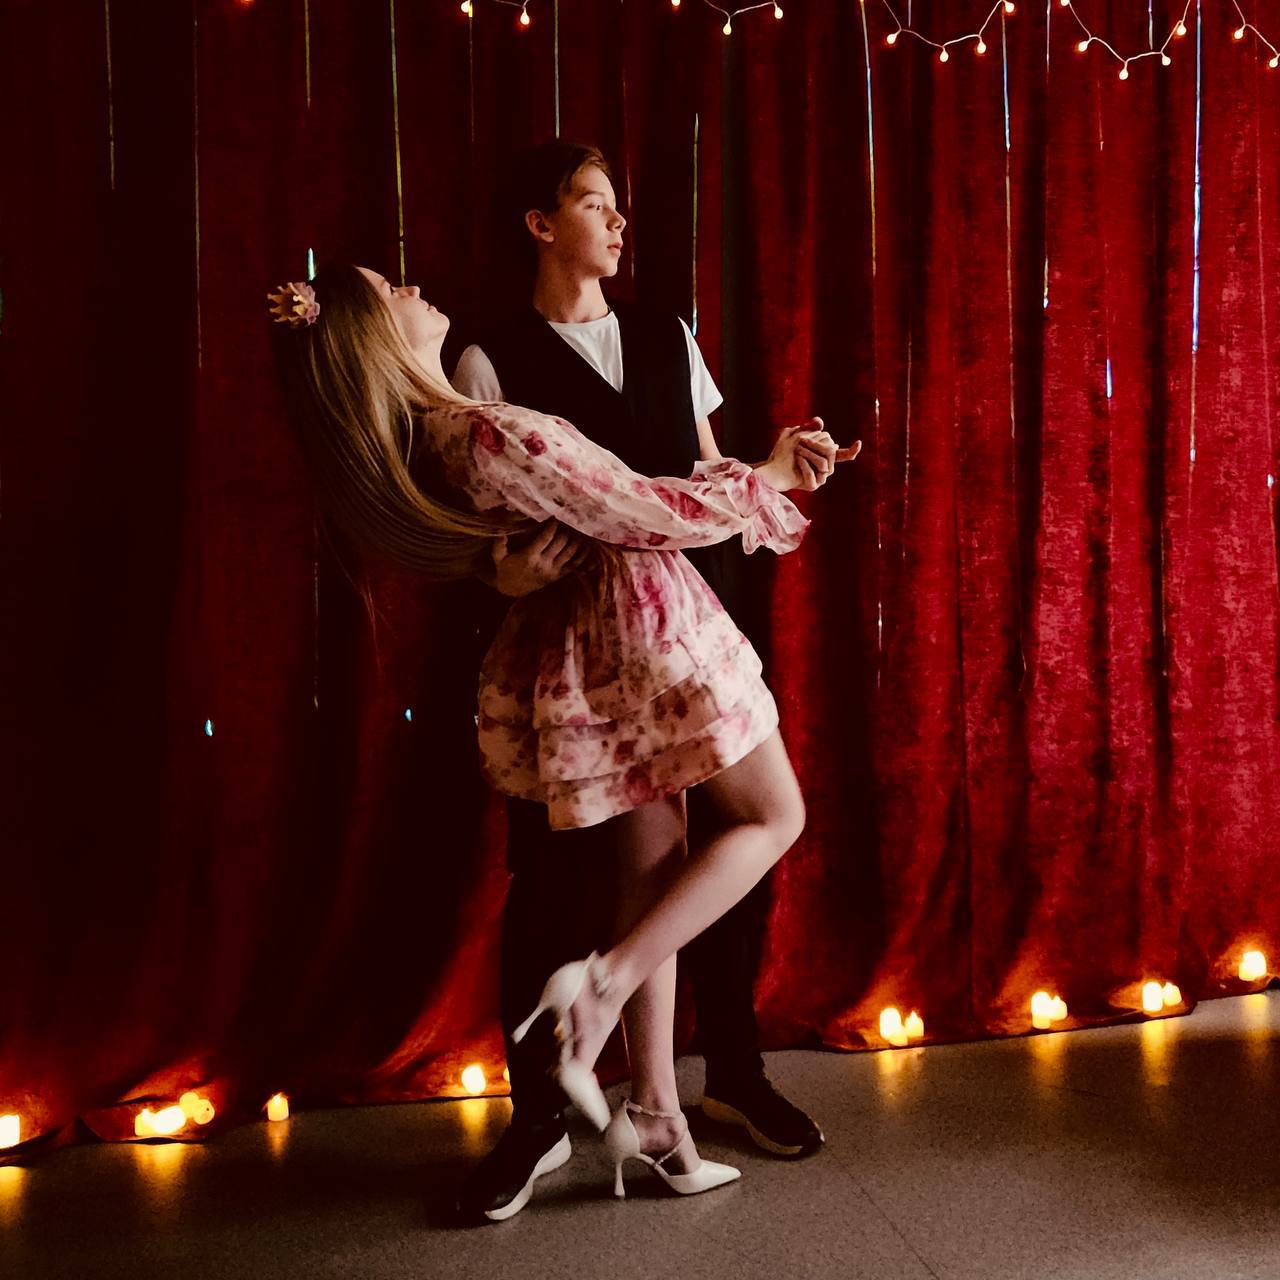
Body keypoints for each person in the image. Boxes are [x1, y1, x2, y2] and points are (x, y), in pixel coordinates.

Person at [270, 262, 859, 1212]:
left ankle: (658, 1116)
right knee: (773, 816)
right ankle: (601, 986)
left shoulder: (439, 439)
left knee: (653, 873)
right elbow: (647, 511)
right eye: (392, 291)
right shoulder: (490, 428)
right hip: (647, 632)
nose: (414, 290)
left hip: (584, 654)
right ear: (374, 337)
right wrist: (775, 477)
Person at [451, 141, 838, 1223]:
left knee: (661, 874)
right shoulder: (485, 358)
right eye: (595, 204)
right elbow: (471, 526)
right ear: (540, 224)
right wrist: (497, 572)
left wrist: (774, 467)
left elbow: (701, 475)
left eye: (619, 205)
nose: (619, 223)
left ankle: (659, 1112)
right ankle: (598, 1029)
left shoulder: (664, 332)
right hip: (579, 643)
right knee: (709, 842)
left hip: (673, 620)